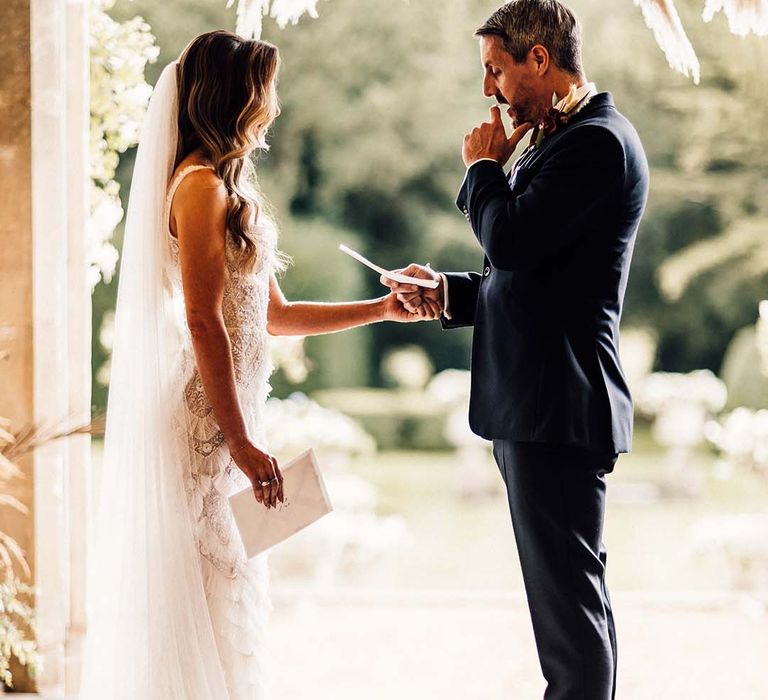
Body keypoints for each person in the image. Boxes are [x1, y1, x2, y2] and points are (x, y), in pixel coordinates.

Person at [79, 30, 431, 700]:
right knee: (209, 578)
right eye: (266, 89)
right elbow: (205, 322)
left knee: (230, 578)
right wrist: (239, 441)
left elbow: (275, 316)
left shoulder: (226, 188)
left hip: (234, 415)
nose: (274, 105)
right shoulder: (199, 188)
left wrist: (381, 310)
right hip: (209, 423)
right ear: (236, 96)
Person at [382, 2, 649, 698]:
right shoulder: (563, 141)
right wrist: (445, 292)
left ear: (539, 59)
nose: (488, 90)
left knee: (569, 622)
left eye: (495, 70)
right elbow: (531, 277)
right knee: (571, 608)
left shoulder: (596, 144)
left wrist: (481, 168)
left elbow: (511, 241)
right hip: (543, 406)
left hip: (557, 406)